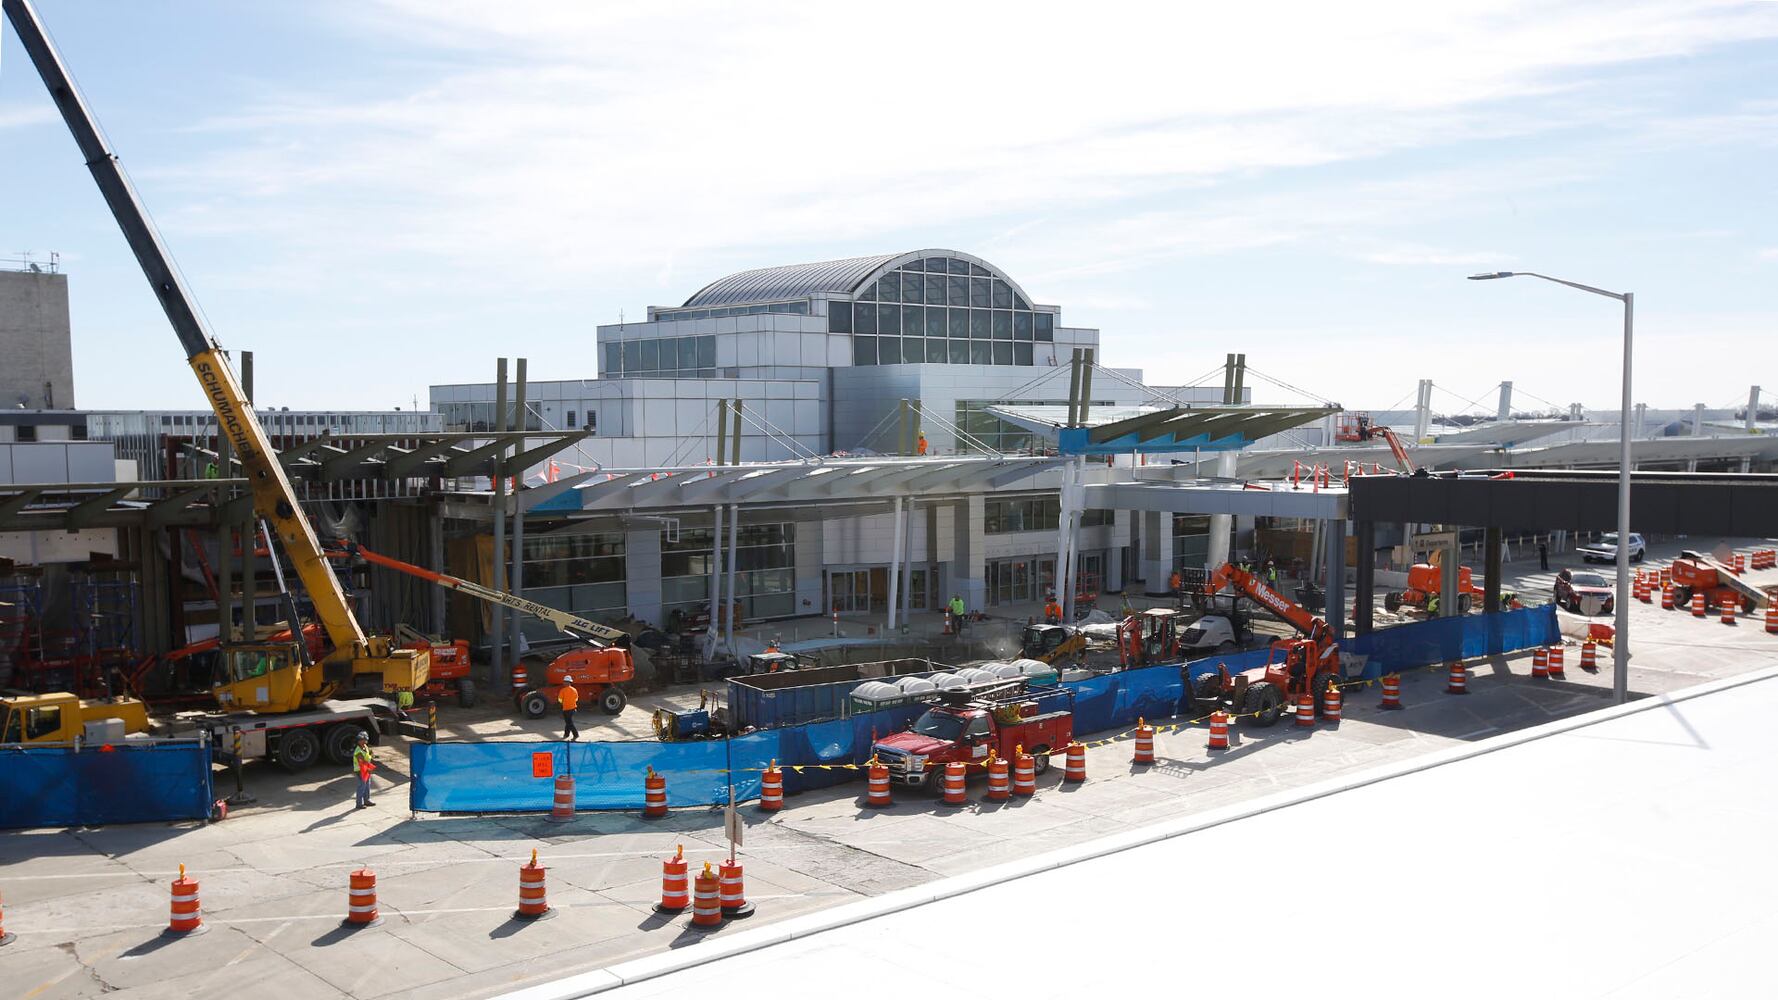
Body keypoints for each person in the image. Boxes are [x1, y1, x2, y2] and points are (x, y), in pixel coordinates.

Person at [351, 731, 375, 808]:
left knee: (367, 785)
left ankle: (366, 800)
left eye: (364, 740)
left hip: (366, 769)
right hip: (360, 770)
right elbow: (362, 761)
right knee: (361, 786)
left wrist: (372, 754)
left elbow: (370, 753)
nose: (363, 741)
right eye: (361, 740)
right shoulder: (358, 751)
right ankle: (359, 803)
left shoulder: (365, 747)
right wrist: (369, 767)